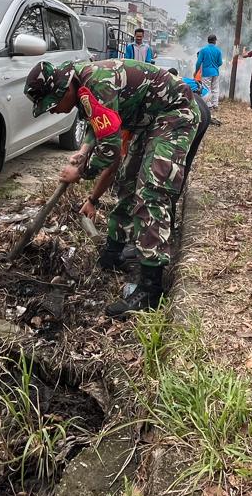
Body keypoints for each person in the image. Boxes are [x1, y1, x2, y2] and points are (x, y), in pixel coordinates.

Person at [24, 58, 203, 317]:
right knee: (128, 181)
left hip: (175, 114)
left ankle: (150, 288)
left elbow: (109, 151)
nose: (53, 111)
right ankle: (115, 251)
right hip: (151, 120)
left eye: (52, 105)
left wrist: (81, 172)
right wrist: (84, 151)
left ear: (65, 89)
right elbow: (99, 124)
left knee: (151, 191)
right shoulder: (84, 87)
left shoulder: (97, 83)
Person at [194, 34, 224, 109]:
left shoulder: (203, 50)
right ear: (215, 41)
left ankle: (208, 104)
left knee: (206, 88)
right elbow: (220, 62)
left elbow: (198, 62)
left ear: (208, 41)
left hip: (206, 72)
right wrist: (215, 66)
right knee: (215, 88)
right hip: (215, 72)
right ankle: (215, 104)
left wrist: (196, 71)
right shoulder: (218, 50)